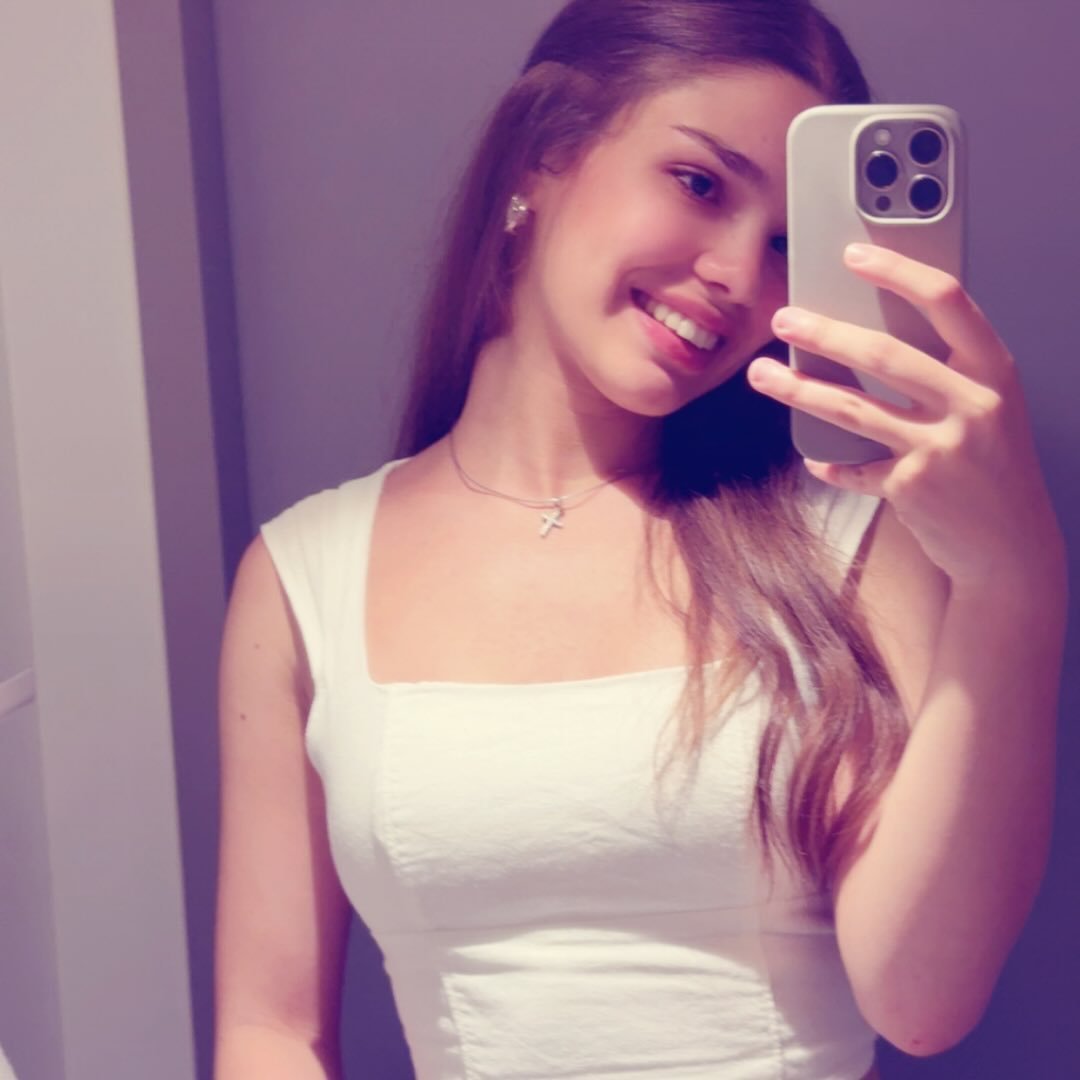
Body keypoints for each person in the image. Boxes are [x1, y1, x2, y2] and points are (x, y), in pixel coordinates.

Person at [212, 1, 1067, 1077]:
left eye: (785, 244)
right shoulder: (305, 574)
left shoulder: (848, 534)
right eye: (700, 184)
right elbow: (270, 1030)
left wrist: (1014, 582)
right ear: (544, 153)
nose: (739, 275)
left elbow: (923, 1002)